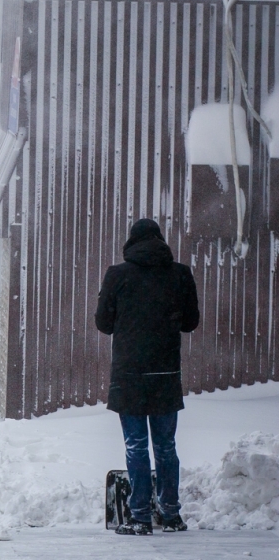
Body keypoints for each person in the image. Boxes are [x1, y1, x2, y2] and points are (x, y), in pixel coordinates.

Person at [94, 218, 200, 536]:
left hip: (129, 374)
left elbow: (103, 323)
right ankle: (170, 514)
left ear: (131, 242)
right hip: (165, 373)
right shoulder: (180, 275)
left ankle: (140, 516)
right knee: (166, 446)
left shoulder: (118, 275)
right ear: (160, 240)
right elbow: (191, 322)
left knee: (136, 446)